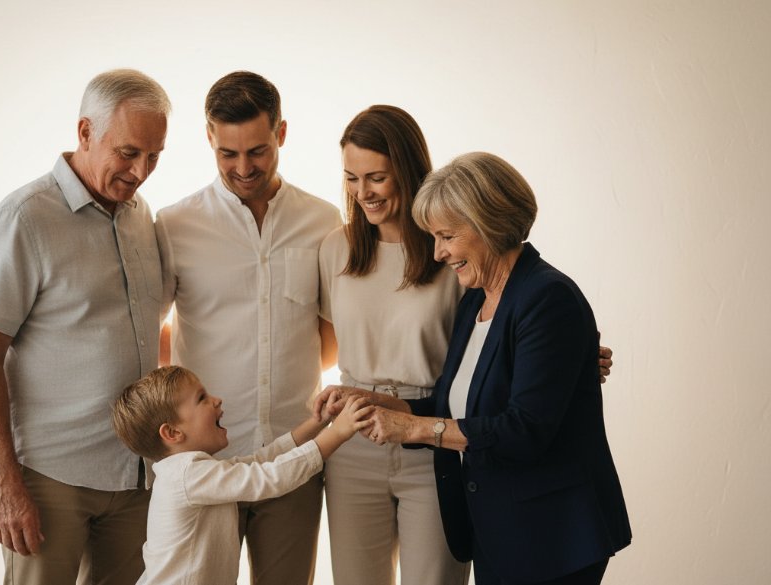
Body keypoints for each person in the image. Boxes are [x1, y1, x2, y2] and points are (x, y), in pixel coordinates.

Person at [325, 152, 633, 584]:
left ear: (488, 224)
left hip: (553, 534)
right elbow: (458, 404)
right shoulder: (476, 300)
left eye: (447, 235)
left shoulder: (547, 298)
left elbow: (524, 430)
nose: (438, 252)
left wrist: (413, 430)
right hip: (500, 530)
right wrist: (379, 402)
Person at [0, 69, 170, 585]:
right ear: (84, 132)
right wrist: (5, 485)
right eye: (127, 152)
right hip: (50, 480)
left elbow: (145, 331)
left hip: (135, 475)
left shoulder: (141, 216)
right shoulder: (24, 218)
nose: (140, 170)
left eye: (154, 155)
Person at [155, 71, 341, 585]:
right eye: (227, 154)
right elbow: (150, 333)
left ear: (281, 133)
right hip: (205, 465)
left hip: (294, 454)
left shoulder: (324, 221)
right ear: (209, 138)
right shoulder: (174, 225)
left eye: (257, 151)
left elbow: (331, 339)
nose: (243, 168)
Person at [317, 105, 471, 585]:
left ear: (406, 170)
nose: (363, 192)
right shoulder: (335, 250)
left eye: (376, 177)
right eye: (351, 178)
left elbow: (492, 337)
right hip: (353, 441)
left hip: (431, 440)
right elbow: (323, 345)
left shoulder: (451, 251)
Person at [111, 366, 372, 585]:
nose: (216, 400)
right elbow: (269, 477)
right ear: (172, 433)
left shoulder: (192, 471)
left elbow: (261, 460)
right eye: (201, 398)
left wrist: (319, 422)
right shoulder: (188, 475)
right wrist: (337, 433)